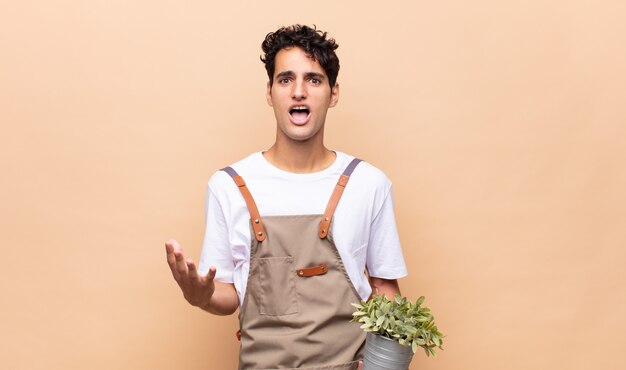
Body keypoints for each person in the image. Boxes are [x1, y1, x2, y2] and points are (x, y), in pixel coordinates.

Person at [165, 24, 408, 370]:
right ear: (269, 92)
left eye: (313, 79)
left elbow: (384, 287)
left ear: (333, 93)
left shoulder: (369, 183)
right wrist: (200, 296)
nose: (299, 92)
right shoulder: (229, 185)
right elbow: (228, 294)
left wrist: (389, 363)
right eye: (285, 79)